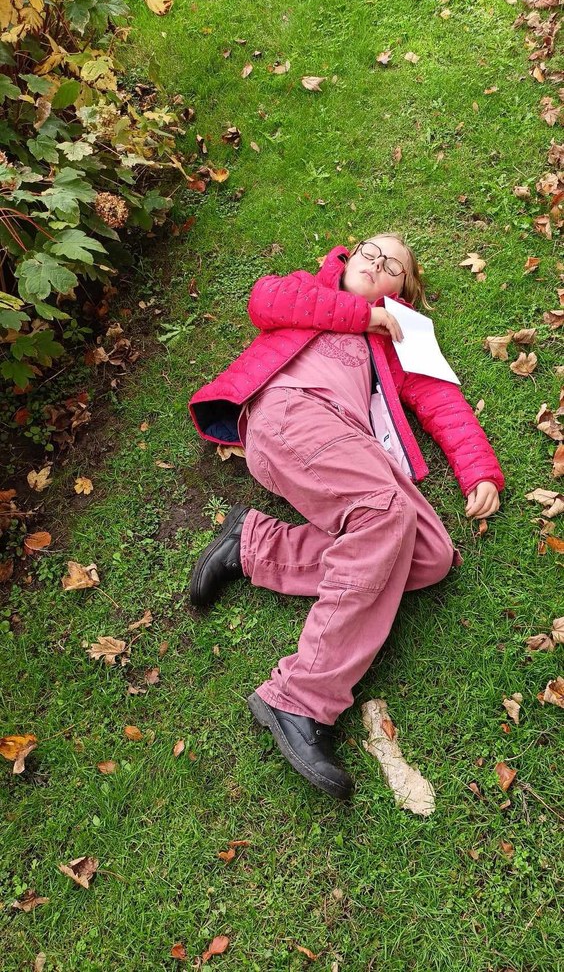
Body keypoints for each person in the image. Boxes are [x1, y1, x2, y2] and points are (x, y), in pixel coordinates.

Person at [188, 234, 504, 801]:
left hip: (352, 442)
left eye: (392, 266)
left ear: (403, 290)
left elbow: (441, 401)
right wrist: (364, 315)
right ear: (348, 257)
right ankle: (300, 698)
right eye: (369, 252)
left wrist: (479, 471)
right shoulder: (309, 289)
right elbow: (264, 301)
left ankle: (254, 545)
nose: (376, 264)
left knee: (430, 555)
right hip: (290, 414)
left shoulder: (401, 337)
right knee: (384, 515)